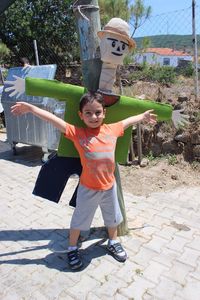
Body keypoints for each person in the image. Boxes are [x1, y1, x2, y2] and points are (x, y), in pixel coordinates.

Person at [11, 91, 157, 270]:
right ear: (81, 115)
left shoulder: (113, 129)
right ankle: (72, 248)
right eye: (88, 112)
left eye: (97, 112)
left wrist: (142, 116)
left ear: (104, 113)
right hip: (88, 189)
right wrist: (31, 108)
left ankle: (113, 241)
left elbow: (128, 121)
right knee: (79, 221)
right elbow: (53, 120)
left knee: (112, 218)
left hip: (109, 187)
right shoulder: (77, 133)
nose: (93, 116)